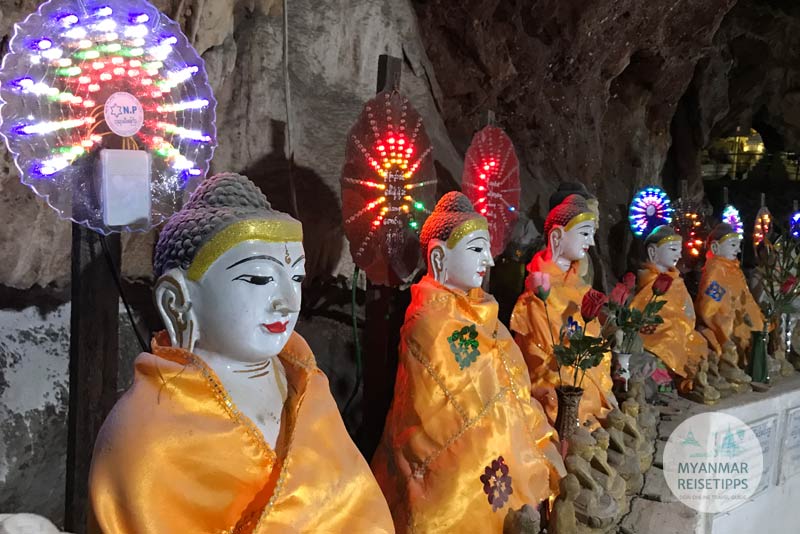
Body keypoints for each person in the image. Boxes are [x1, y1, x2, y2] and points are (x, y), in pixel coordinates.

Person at [89, 173, 393, 533]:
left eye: (296, 278)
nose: (286, 302)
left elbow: (358, 510)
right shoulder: (147, 434)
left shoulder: (307, 387)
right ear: (178, 301)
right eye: (260, 279)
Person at [372, 192, 565, 533]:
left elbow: (510, 374)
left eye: (487, 249)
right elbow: (441, 405)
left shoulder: (482, 309)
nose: (489, 261)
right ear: (438, 258)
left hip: (502, 431)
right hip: (452, 452)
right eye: (477, 249)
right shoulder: (427, 322)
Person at [511, 195, 616, 427]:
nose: (591, 242)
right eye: (585, 233)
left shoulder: (579, 285)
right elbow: (538, 355)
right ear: (557, 236)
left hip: (585, 368)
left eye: (592, 234)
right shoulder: (535, 293)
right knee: (563, 389)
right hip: (555, 373)